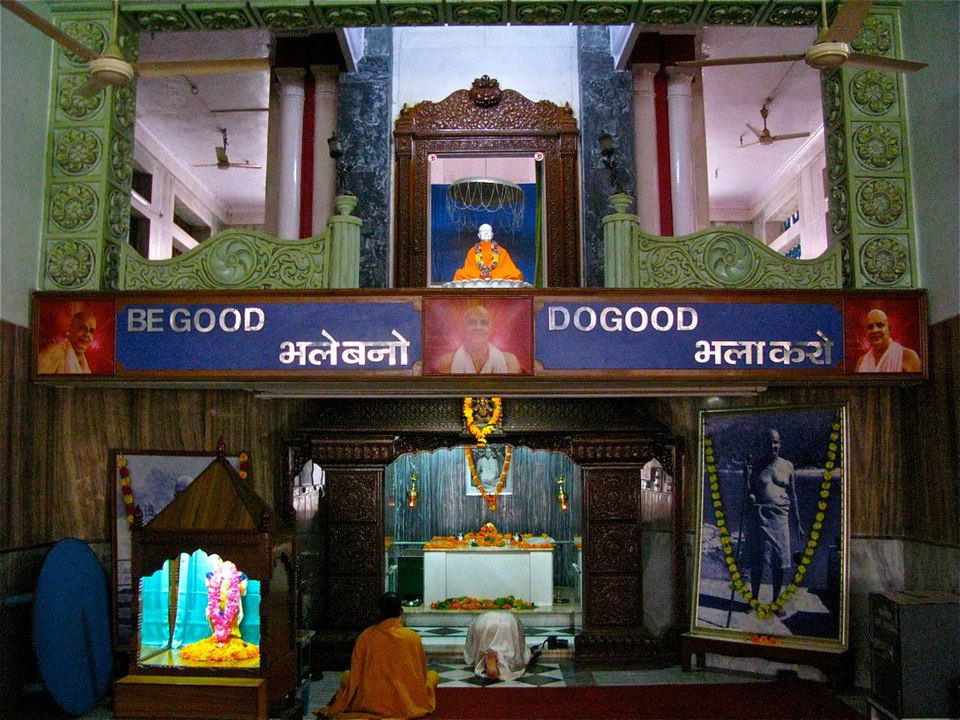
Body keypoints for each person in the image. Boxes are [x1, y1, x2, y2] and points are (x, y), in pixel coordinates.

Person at [318, 592, 439, 719]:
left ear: (378, 611)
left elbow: (356, 673)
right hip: (406, 701)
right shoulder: (412, 637)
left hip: (371, 700)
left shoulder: (366, 635)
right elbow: (421, 674)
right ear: (401, 611)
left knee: (347, 676)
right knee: (433, 676)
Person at [745, 428, 804, 617]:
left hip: (780, 518)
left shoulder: (788, 466)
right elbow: (749, 495)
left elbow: (793, 496)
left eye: (776, 442)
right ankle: (754, 600)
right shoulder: (755, 466)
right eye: (770, 442)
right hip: (760, 518)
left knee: (780, 562)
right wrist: (745, 477)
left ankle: (776, 602)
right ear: (764, 444)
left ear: (780, 444)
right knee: (757, 562)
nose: (773, 445)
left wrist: (799, 523)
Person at [436, 303, 521, 374]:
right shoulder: (446, 363)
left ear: (490, 329)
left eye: (484, 323)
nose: (478, 327)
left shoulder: (510, 363)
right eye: (472, 322)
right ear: (463, 328)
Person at [463, 611, 532, 681]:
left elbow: (470, 645)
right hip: (509, 621)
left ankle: (486, 657)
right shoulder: (512, 616)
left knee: (480, 644)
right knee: (513, 646)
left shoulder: (479, 617)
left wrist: (471, 655)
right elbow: (520, 644)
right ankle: (503, 660)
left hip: (483, 620)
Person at [855, 308, 921, 373]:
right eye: (870, 327)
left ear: (889, 329)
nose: (874, 330)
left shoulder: (908, 357)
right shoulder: (861, 362)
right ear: (865, 332)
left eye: (880, 325)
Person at [452, 223, 523, 282]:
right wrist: (480, 274)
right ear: (479, 235)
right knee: (460, 273)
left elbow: (507, 267)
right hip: (477, 275)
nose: (486, 232)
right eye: (483, 231)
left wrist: (492, 274)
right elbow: (469, 268)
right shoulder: (472, 251)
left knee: (515, 273)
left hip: (496, 274)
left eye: (488, 231)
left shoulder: (501, 251)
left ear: (492, 234)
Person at [37, 309, 97, 374]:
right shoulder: (55, 352)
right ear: (71, 329)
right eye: (82, 328)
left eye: (91, 331)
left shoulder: (84, 364)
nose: (87, 334)